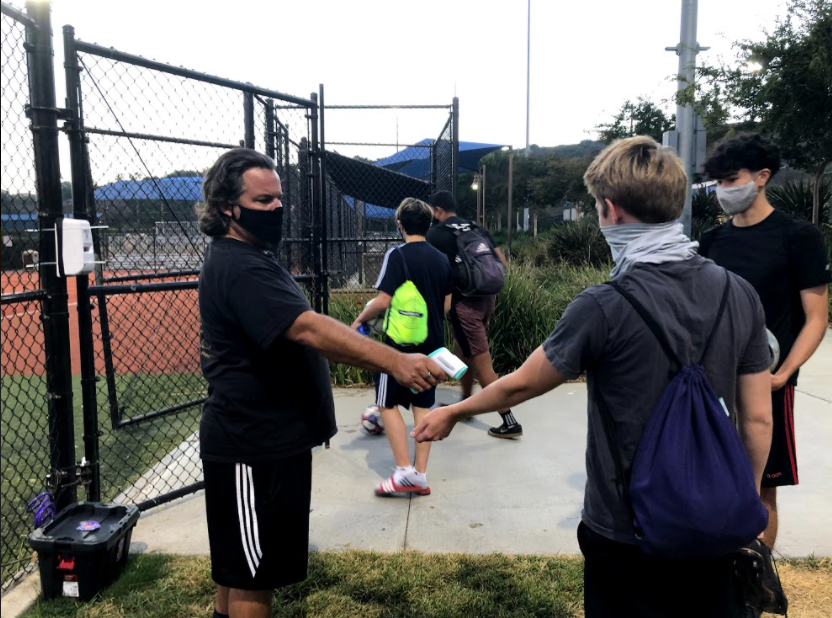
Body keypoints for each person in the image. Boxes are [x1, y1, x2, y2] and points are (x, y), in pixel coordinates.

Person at [412, 136, 774, 617]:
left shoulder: (603, 305)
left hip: (625, 528)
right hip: (718, 525)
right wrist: (740, 502)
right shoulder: (739, 293)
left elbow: (523, 381)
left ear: (610, 209)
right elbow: (758, 420)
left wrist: (455, 410)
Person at [196, 149, 444, 618]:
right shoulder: (239, 264)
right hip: (251, 445)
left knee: (243, 569)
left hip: (272, 442)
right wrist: (394, 361)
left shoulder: (253, 256)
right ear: (228, 206)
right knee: (253, 579)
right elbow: (308, 328)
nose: (275, 208)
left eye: (278, 199)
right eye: (262, 200)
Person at [699, 133, 831, 549]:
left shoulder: (797, 236)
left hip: (769, 383)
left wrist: (784, 374)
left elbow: (816, 318)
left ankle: (753, 589)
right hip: (714, 384)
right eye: (717, 182)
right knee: (710, 482)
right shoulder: (712, 242)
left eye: (730, 179)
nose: (723, 190)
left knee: (760, 490)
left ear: (762, 177)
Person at [351, 197, 453, 496]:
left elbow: (382, 301)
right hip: (432, 346)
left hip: (398, 350)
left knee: (387, 404)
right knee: (423, 406)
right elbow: (446, 306)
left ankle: (403, 471)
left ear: (399, 225)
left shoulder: (397, 256)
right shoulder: (441, 259)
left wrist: (359, 322)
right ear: (429, 224)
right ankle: (420, 475)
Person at [426, 190, 522, 439]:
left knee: (482, 364)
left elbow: (436, 268)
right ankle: (466, 403)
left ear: (437, 210)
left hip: (463, 304)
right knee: (464, 351)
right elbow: (500, 260)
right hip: (487, 298)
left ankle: (509, 420)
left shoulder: (437, 234)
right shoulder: (474, 227)